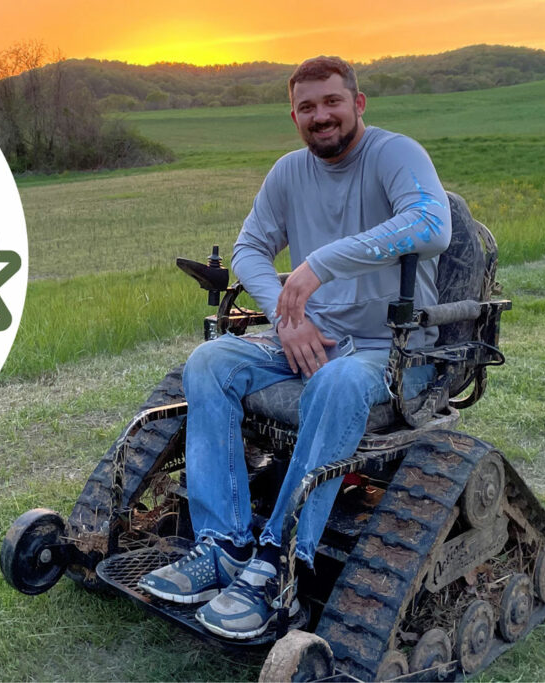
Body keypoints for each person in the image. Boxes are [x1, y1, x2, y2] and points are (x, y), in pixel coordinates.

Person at [137, 56, 451, 640]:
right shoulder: (289, 172)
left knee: (335, 381)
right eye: (307, 107)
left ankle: (279, 563)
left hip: (395, 348)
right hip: (313, 336)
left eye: (332, 101)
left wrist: (318, 264)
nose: (320, 116)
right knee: (210, 361)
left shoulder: (394, 154)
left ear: (357, 103)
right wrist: (289, 312)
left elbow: (432, 224)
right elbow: (250, 248)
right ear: (294, 116)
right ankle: (225, 544)